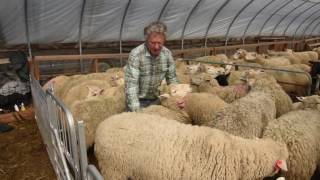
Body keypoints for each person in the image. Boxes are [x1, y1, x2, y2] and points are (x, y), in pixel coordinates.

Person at [125, 21, 179, 112]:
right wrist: (136, 110)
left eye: (160, 43)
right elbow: (131, 85)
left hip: (157, 100)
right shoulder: (136, 55)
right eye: (153, 43)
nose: (157, 47)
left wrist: (178, 98)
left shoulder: (167, 54)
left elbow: (172, 79)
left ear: (164, 41)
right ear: (146, 40)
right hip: (138, 100)